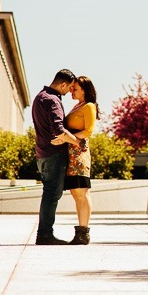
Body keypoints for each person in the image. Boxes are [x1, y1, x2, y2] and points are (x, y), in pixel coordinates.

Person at [51, 75, 98, 245]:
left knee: (81, 192)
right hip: (71, 153)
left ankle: (83, 233)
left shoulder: (89, 106)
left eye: (75, 88)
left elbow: (88, 132)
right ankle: (81, 232)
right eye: (71, 88)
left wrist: (64, 138)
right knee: (75, 192)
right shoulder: (77, 106)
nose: (71, 90)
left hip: (80, 153)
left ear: (85, 90)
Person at [31, 68, 76, 245]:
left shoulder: (40, 97)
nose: (70, 91)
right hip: (54, 155)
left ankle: (44, 233)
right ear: (63, 84)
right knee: (51, 195)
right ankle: (45, 235)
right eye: (69, 88)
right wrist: (77, 142)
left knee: (48, 194)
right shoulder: (53, 101)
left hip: (42, 154)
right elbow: (59, 130)